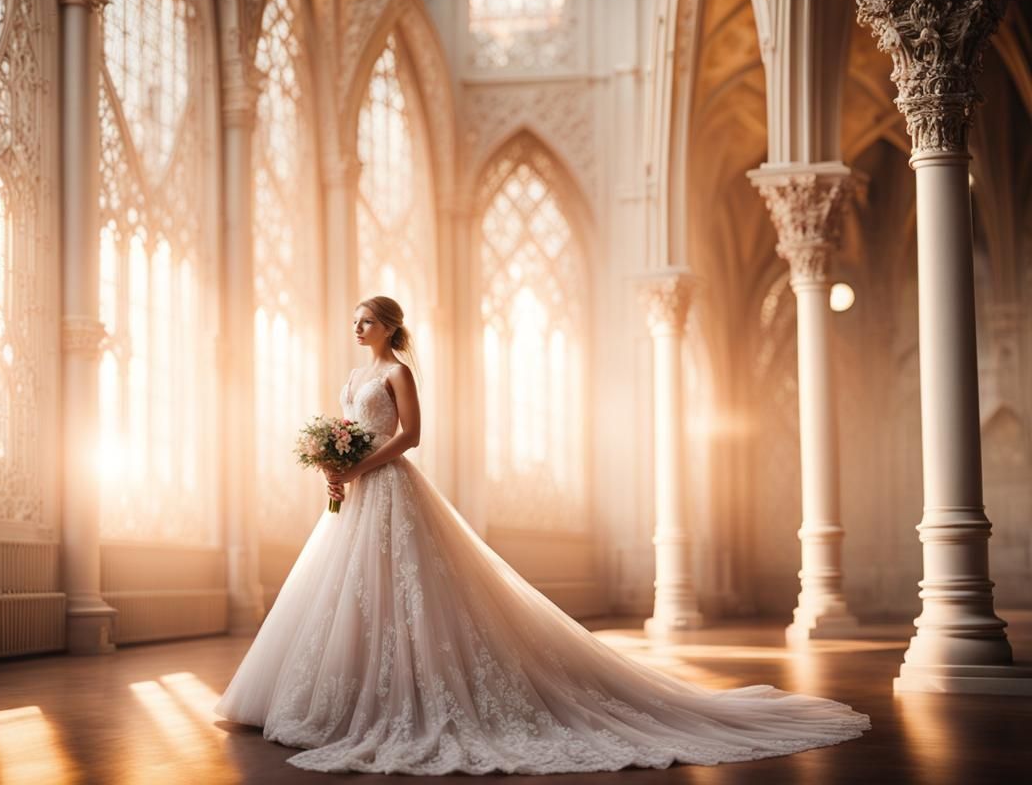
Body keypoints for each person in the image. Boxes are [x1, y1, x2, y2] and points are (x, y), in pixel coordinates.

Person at [215, 296, 870, 774]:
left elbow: (411, 436)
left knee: (410, 593)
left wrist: (361, 464)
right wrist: (333, 469)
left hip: (390, 487)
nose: (357, 326)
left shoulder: (397, 374)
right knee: (348, 594)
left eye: (367, 319)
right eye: (354, 319)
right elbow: (342, 427)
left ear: (389, 326)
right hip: (357, 491)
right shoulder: (355, 378)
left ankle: (408, 697)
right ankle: (331, 694)